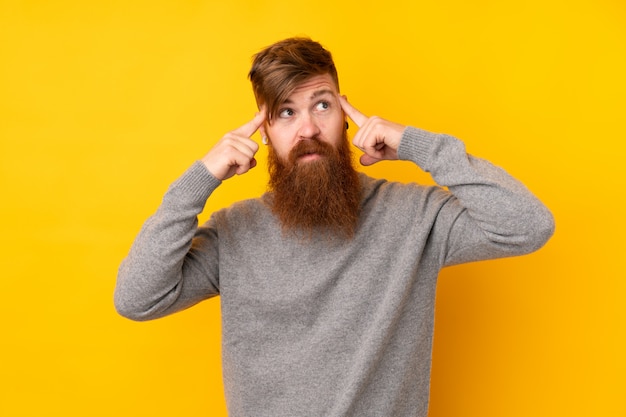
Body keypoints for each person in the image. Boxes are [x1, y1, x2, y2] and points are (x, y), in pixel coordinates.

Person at [114, 37, 554, 417]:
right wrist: (199, 180)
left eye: (322, 105)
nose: (308, 128)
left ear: (344, 116)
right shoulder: (235, 232)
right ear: (263, 130)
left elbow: (528, 225)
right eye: (286, 113)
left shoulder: (414, 216)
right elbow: (137, 299)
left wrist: (417, 145)